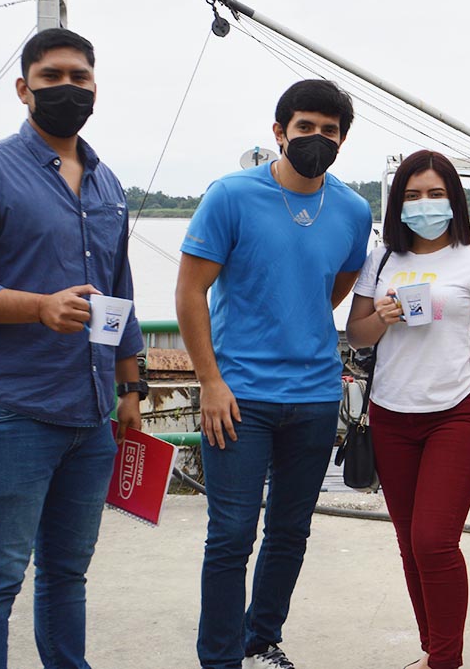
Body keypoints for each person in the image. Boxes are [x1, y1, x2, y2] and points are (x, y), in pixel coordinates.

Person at [0, 27, 144, 669]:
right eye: (52, 77)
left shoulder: (107, 185)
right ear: (24, 88)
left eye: (80, 78)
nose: (67, 88)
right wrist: (38, 306)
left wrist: (129, 389)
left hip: (91, 416)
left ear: (95, 89)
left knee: (68, 574)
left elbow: (119, 291)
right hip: (10, 412)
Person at [175, 79, 372, 669]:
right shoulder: (232, 196)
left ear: (342, 140)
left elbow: (334, 288)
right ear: (279, 131)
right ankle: (220, 658)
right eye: (305, 127)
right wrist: (210, 380)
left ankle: (261, 641)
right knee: (231, 534)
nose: (317, 138)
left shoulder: (354, 210)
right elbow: (189, 292)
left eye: (329, 131)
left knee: (290, 532)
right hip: (238, 396)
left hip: (313, 396)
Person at [345, 150, 470, 669]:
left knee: (434, 541)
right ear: (397, 204)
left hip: (457, 411)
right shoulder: (382, 261)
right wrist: (385, 316)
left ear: (454, 200)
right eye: (413, 195)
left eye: (435, 193)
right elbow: (357, 333)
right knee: (409, 541)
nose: (424, 204)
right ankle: (432, 650)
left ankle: (445, 661)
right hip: (392, 413)